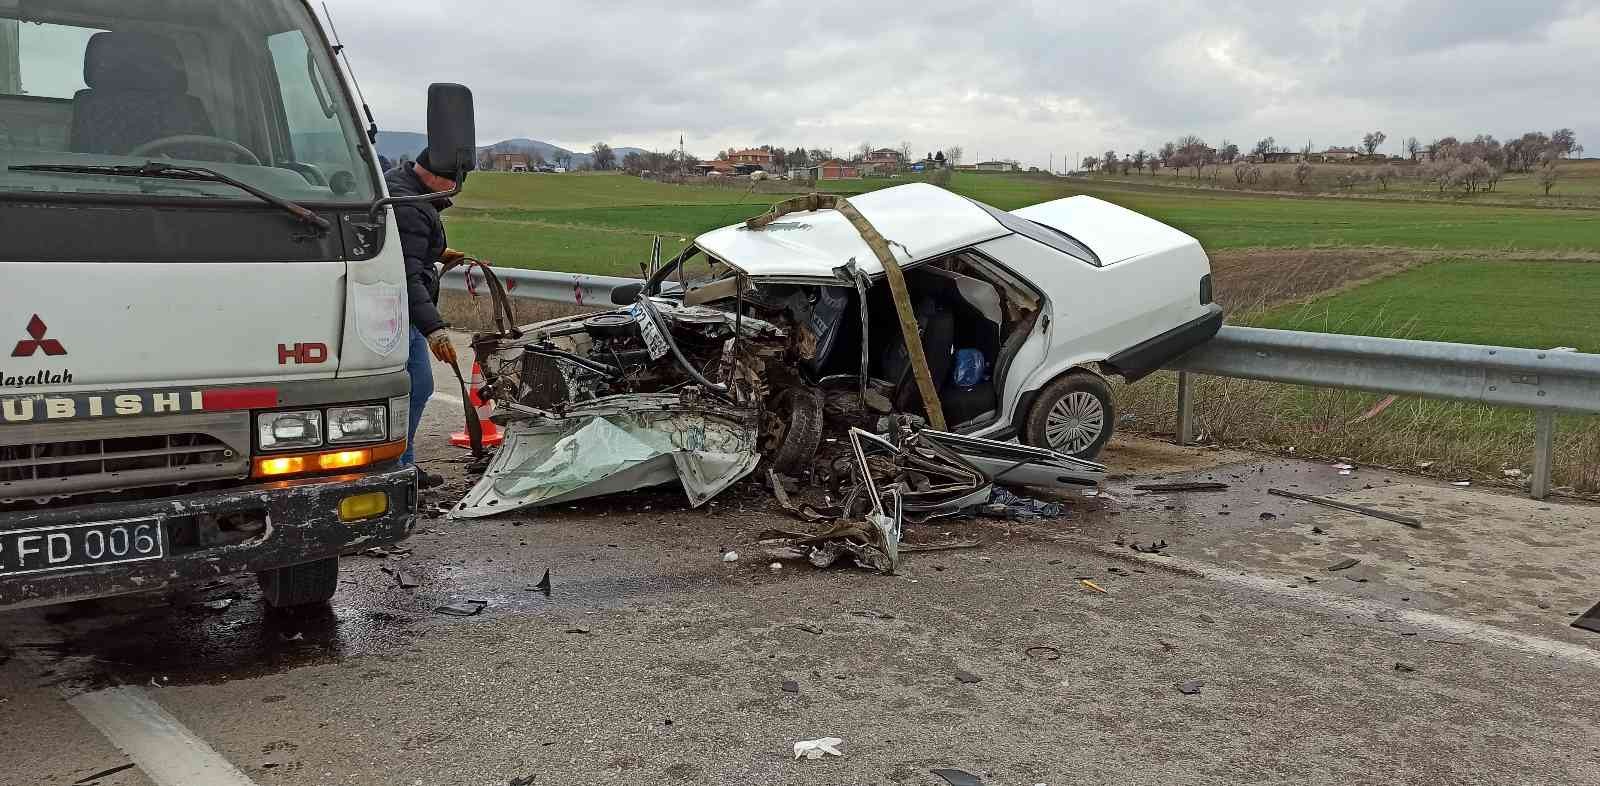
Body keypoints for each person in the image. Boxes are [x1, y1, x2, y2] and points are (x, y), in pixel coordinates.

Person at [386, 148, 466, 489]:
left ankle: (403, 464)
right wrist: (435, 328)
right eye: (454, 183)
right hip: (399, 314)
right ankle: (396, 467)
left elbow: (403, 250)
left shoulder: (401, 186)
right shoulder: (412, 207)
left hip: (401, 312)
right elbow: (406, 275)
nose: (453, 192)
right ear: (438, 176)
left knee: (416, 387)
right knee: (417, 386)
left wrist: (435, 252)